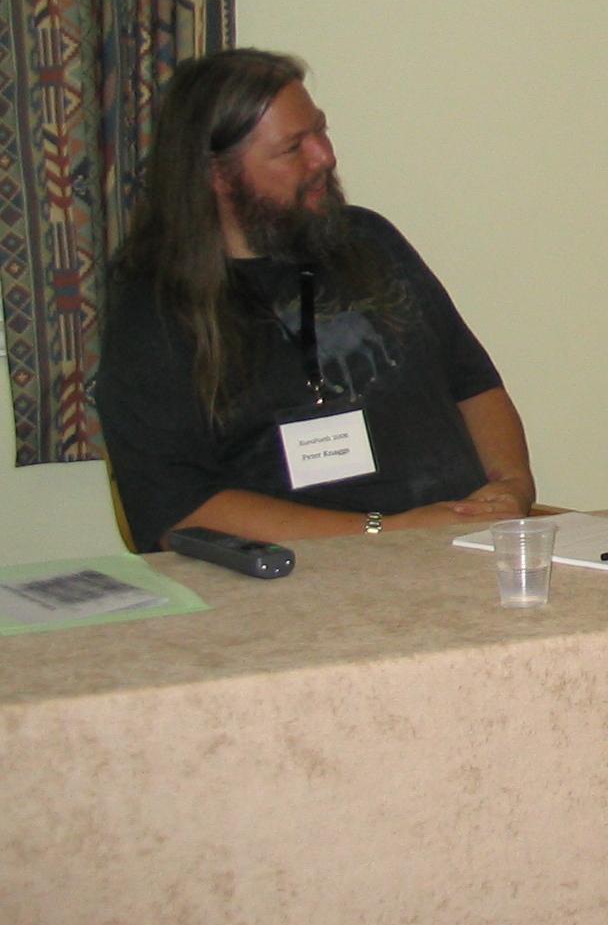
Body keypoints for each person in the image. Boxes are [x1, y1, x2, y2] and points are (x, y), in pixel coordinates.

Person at [97, 49, 536, 551]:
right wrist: (389, 532)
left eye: (320, 131)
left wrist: (510, 486)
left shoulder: (370, 240)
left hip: (465, 550)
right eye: (293, 148)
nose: (324, 156)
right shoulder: (156, 305)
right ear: (218, 176)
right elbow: (175, 508)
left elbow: (474, 384)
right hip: (301, 575)